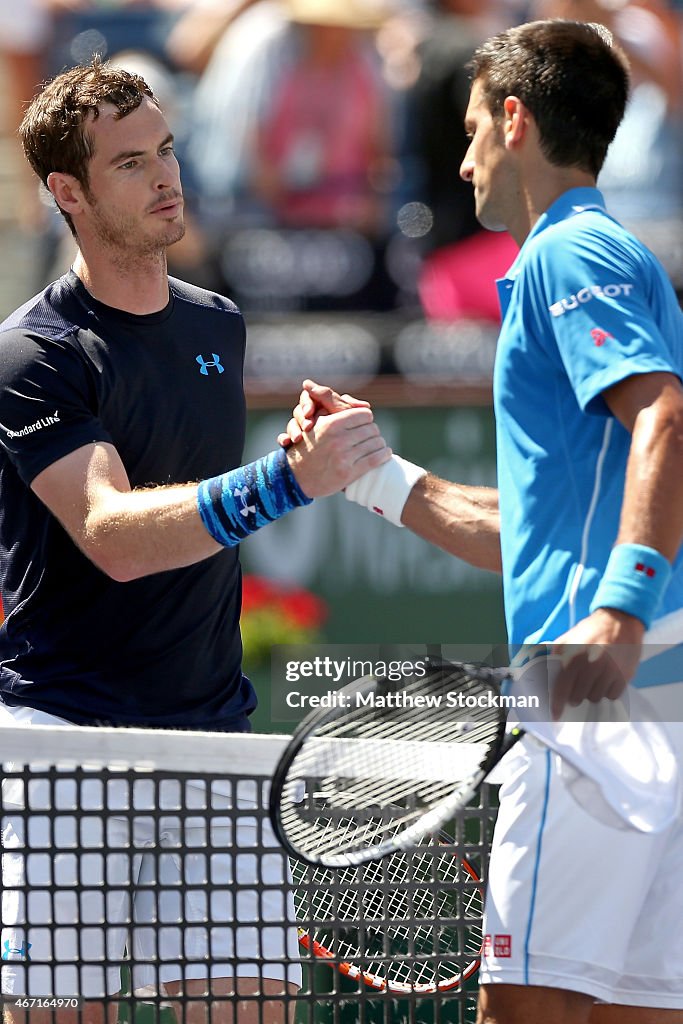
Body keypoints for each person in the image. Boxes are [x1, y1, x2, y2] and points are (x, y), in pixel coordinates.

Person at [283, 18, 683, 1024]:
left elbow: (664, 417)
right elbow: (538, 528)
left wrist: (617, 612)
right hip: (656, 706)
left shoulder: (568, 252)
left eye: (469, 132)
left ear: (513, 121)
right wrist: (371, 474)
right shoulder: (610, 254)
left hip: (592, 700)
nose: (459, 162)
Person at [0, 58, 390, 1024]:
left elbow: (193, 497)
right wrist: (285, 480)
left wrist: (291, 455)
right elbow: (112, 534)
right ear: (69, 193)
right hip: (64, 748)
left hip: (211, 740)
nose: (166, 176)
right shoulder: (31, 355)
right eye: (131, 164)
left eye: (167, 150)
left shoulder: (217, 320)